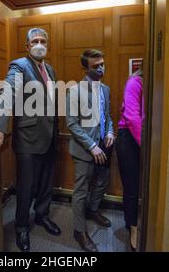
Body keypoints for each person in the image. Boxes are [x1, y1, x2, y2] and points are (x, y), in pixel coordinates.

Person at [0, 28, 61, 252]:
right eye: (34, 41)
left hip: (50, 136)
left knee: (46, 182)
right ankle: (22, 227)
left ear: (48, 45)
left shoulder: (51, 70)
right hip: (27, 138)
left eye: (43, 41)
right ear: (27, 46)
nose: (39, 44)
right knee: (26, 187)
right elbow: (8, 92)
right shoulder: (19, 66)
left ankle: (42, 215)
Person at [66, 49, 115, 252]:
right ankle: (79, 231)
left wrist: (111, 131)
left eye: (103, 64)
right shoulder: (74, 91)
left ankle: (93, 209)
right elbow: (71, 123)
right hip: (85, 149)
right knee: (81, 191)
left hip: (105, 144)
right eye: (96, 66)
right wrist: (92, 145)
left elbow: (108, 116)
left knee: (102, 181)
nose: (101, 68)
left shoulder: (105, 89)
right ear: (85, 68)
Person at [115, 68, 143, 251]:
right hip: (128, 137)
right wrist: (145, 145)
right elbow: (132, 117)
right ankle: (132, 226)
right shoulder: (135, 82)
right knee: (132, 185)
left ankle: (134, 220)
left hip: (142, 136)